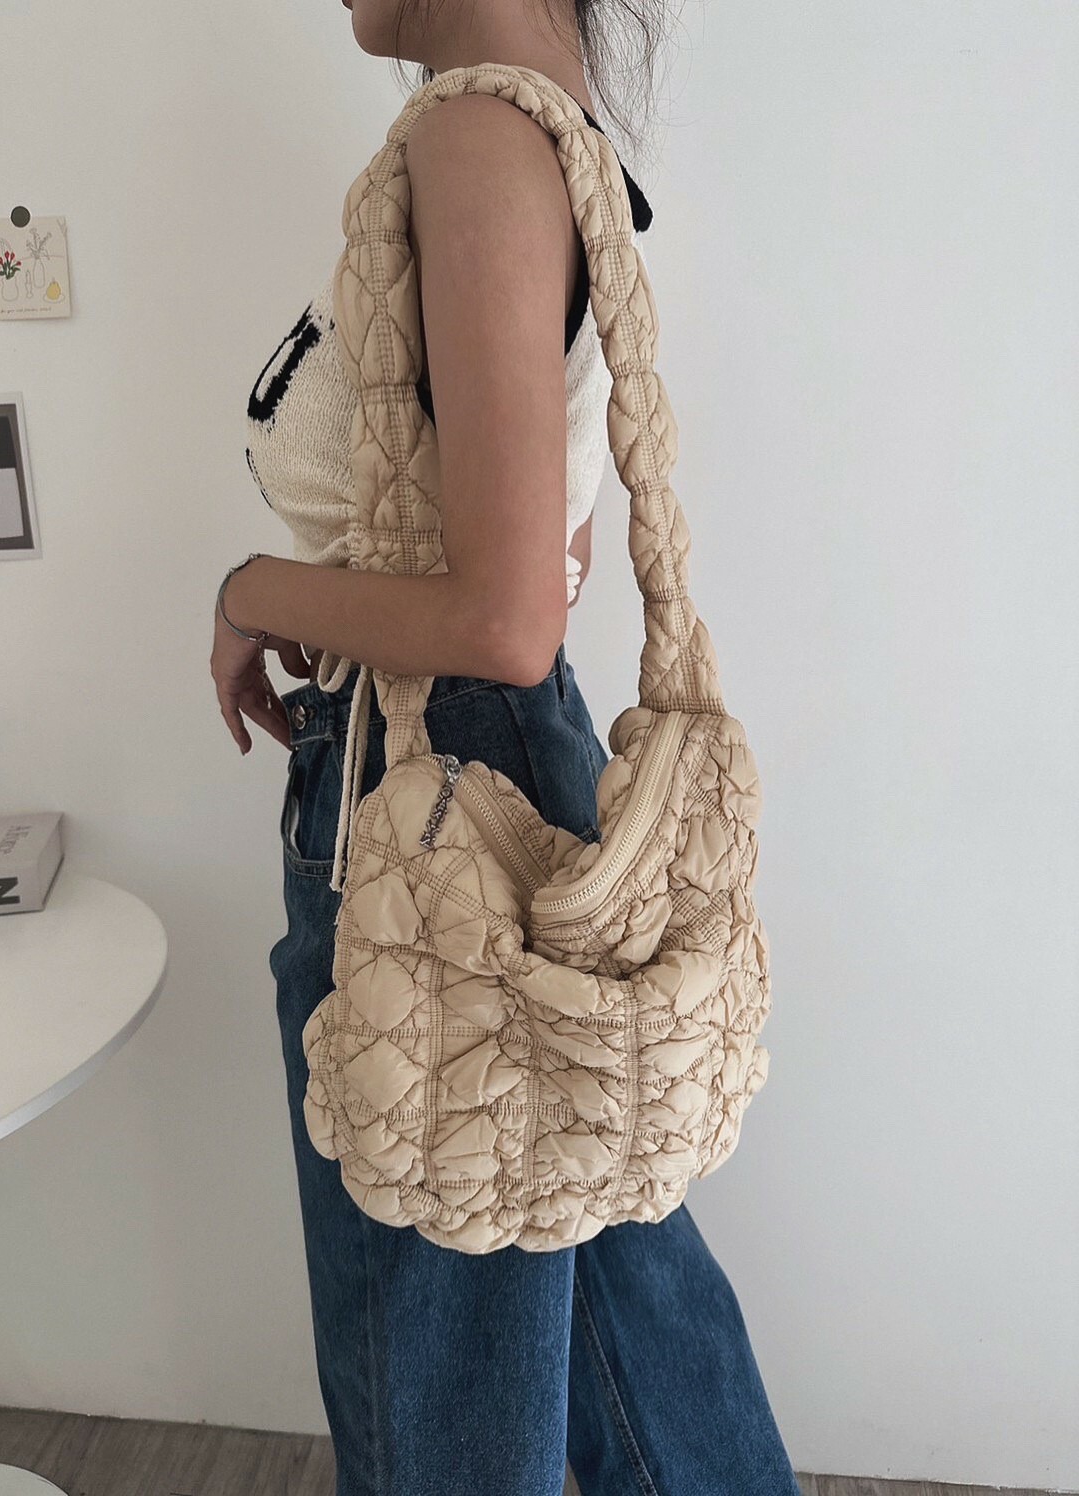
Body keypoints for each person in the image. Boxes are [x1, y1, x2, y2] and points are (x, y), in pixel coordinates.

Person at [209, 1, 800, 1492]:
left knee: (442, 1388)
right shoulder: (552, 127)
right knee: (623, 1315)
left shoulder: (475, 134)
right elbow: (553, 556)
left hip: (428, 798)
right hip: (504, 770)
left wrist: (250, 593)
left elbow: (506, 618)